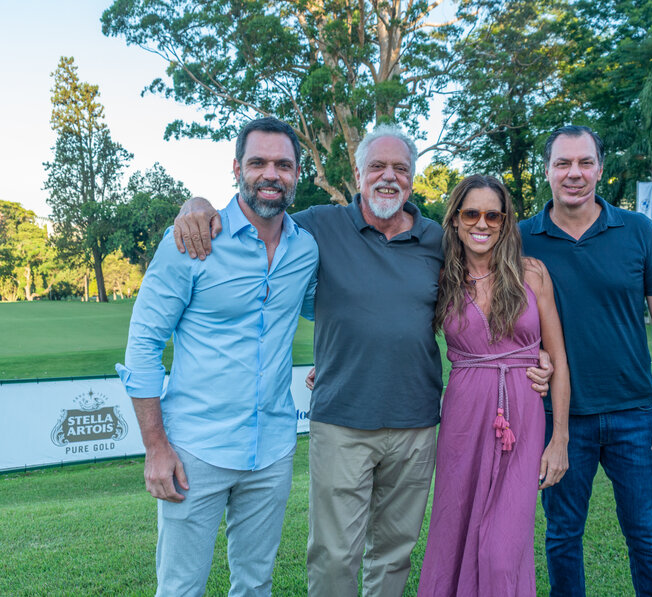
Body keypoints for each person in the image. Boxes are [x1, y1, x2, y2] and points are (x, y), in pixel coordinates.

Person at [172, 124, 553, 597]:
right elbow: (259, 214)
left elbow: (493, 276)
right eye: (377, 166)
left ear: (412, 178)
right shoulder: (319, 226)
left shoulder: (439, 241)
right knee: (334, 556)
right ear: (358, 174)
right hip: (342, 422)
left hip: (416, 424)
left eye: (400, 168)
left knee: (393, 554)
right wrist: (197, 205)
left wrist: (531, 351)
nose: (388, 176)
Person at [116, 116, 319, 597]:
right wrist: (156, 447)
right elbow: (143, 345)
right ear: (236, 168)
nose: (271, 174)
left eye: (283, 165)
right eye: (258, 162)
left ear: (297, 173)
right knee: (181, 588)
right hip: (194, 450)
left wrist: (333, 359)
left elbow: (338, 310)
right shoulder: (191, 240)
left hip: (272, 449)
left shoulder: (306, 250)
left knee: (256, 585)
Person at [519, 125, 652, 597]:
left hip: (634, 415)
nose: (574, 173)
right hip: (559, 419)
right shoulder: (521, 239)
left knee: (647, 536)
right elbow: (502, 318)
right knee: (562, 536)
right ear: (547, 170)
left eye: (585, 162)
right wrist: (532, 353)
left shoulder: (637, 230)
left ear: (600, 169)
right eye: (563, 163)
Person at [417, 175, 571, 596]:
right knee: (453, 532)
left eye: (493, 215)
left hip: (523, 418)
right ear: (455, 219)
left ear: (506, 222)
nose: (481, 223)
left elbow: (557, 360)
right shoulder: (442, 278)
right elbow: (395, 326)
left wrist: (559, 439)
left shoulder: (532, 274)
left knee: (502, 550)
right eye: (471, 213)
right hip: (464, 419)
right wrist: (334, 362)